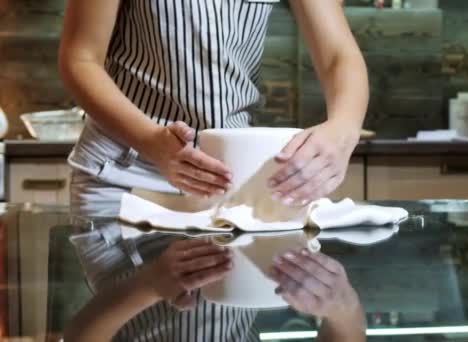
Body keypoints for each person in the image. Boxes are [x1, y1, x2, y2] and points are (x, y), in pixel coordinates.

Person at [59, 0, 368, 340]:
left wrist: (344, 128)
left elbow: (339, 54)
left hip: (235, 180)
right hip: (124, 175)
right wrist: (151, 141)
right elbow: (80, 59)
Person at [65, 233, 365, 342]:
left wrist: (151, 284)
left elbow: (81, 335)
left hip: (128, 241)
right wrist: (343, 307)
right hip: (233, 243)